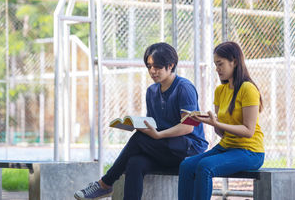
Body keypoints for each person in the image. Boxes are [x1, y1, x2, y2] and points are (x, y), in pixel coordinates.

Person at [74, 42, 208, 200]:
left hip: (188, 150)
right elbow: (154, 123)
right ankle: (106, 185)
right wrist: (140, 126)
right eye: (149, 66)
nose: (152, 71)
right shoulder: (151, 91)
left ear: (171, 65)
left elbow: (188, 127)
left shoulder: (184, 88)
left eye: (157, 66)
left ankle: (105, 184)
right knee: (135, 162)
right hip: (165, 150)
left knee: (138, 140)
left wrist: (158, 135)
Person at [178, 41, 265, 200]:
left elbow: (248, 131)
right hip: (227, 147)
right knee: (186, 165)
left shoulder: (248, 89)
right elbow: (222, 132)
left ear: (234, 62)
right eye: (215, 65)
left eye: (220, 64)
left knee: (205, 167)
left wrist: (216, 123)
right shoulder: (220, 90)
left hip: (250, 152)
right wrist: (206, 121)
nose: (217, 69)